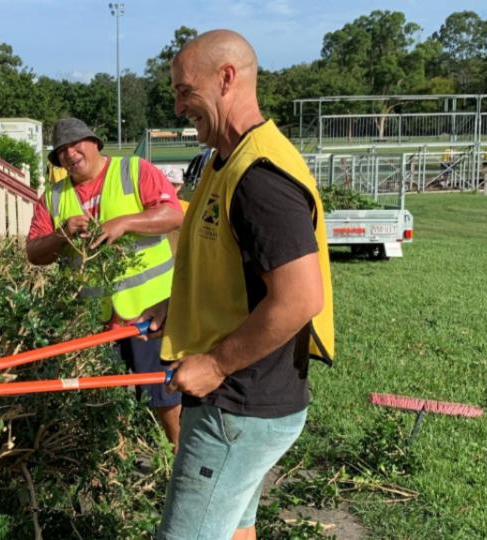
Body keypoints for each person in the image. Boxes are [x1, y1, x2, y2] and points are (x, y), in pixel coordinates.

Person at [141, 30, 335, 540]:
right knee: (234, 530)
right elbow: (230, 264)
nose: (178, 107)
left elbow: (300, 297)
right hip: (241, 404)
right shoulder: (223, 161)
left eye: (185, 91)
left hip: (239, 404)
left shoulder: (260, 177)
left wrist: (215, 364)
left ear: (226, 78)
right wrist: (179, 305)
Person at [26, 118, 185, 451]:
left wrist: (124, 223)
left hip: (150, 314)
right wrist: (62, 234)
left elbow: (173, 215)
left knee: (165, 396)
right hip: (93, 321)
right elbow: (34, 253)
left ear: (95, 143)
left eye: (76, 145)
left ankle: (178, 457)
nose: (70, 154)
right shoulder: (53, 197)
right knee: (101, 400)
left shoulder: (133, 170)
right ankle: (113, 462)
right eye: (62, 151)